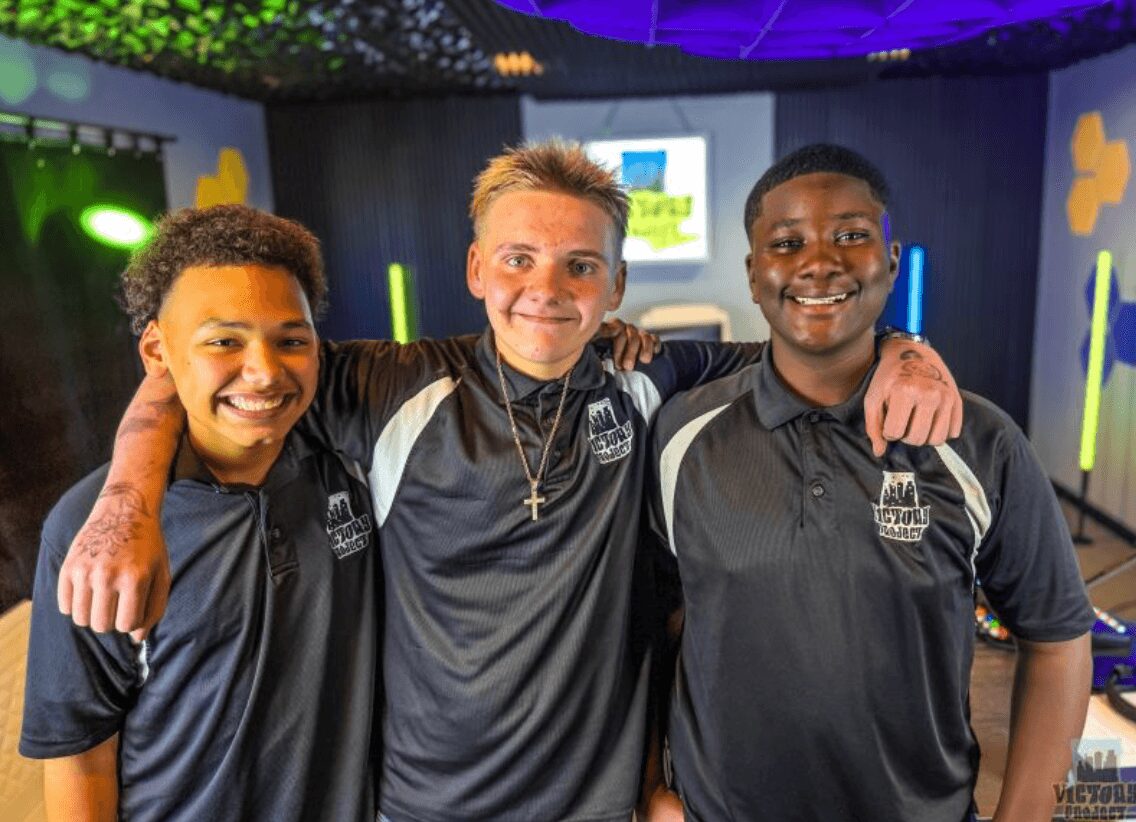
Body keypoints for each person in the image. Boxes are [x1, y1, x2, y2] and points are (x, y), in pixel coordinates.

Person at [55, 141, 963, 821]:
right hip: (425, 806)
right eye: (519, 259)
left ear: (615, 287)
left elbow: (809, 341)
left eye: (580, 265)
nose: (547, 288)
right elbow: (216, 364)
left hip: (601, 804)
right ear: (477, 270)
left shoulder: (650, 377)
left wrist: (905, 349)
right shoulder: (383, 386)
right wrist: (128, 493)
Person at [645, 144, 1094, 822]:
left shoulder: (977, 440)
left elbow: (1057, 638)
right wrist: (653, 788)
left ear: (891, 258)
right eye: (787, 242)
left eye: (851, 235)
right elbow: (652, 627)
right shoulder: (682, 436)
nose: (819, 261)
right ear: (753, 272)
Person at [19, 205, 379, 820]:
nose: (264, 372)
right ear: (158, 350)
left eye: (291, 340)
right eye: (223, 341)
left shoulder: (353, 460)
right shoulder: (95, 528)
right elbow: (81, 756)